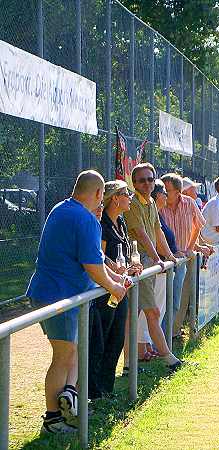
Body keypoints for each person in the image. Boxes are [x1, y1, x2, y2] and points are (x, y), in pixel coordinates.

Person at [26, 170, 127, 434]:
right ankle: (52, 420)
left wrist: (114, 277)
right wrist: (115, 286)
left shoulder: (62, 208)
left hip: (51, 291)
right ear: (97, 194)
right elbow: (92, 264)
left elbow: (94, 260)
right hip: (59, 296)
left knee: (73, 350)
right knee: (64, 355)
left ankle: (69, 397)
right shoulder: (86, 219)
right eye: (102, 197)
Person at [123, 163, 181, 373]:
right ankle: (169, 358)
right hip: (139, 263)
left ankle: (129, 364)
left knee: (133, 314)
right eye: (141, 180)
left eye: (150, 179)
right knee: (152, 312)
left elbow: (158, 232)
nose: (146, 183)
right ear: (134, 183)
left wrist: (169, 255)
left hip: (147, 263)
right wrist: (158, 258)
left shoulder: (150, 203)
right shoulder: (132, 204)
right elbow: (140, 233)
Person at [88, 181, 143, 401]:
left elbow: (123, 254)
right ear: (115, 198)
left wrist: (132, 265)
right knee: (101, 340)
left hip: (121, 288)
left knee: (117, 338)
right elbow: (100, 256)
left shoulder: (120, 220)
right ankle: (94, 391)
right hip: (105, 290)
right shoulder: (102, 223)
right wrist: (116, 268)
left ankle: (106, 389)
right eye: (126, 193)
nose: (130, 196)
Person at [160, 173, 207, 338]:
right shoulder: (158, 206)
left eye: (167, 190)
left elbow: (198, 224)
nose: (164, 194)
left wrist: (190, 247)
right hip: (161, 261)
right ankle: (155, 340)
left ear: (178, 192)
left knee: (174, 300)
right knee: (159, 302)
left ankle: (166, 337)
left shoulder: (190, 203)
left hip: (180, 261)